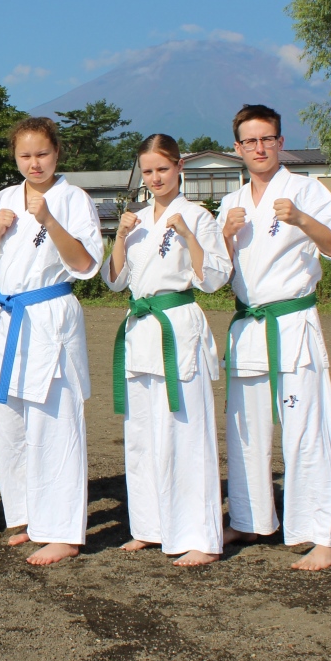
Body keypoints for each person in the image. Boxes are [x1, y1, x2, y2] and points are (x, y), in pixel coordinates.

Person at [217, 105, 331, 571]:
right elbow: (216, 274)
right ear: (237, 148)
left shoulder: (306, 190)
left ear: (280, 142)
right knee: (246, 432)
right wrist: (225, 236)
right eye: (250, 141)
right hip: (248, 327)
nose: (259, 148)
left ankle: (323, 536)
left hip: (292, 324)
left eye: (267, 139)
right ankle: (250, 519)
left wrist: (301, 220)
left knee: (306, 430)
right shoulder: (231, 202)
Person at [0, 117, 104, 565]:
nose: (34, 163)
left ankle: (63, 531)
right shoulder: (2, 199)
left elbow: (85, 264)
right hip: (8, 316)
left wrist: (49, 220)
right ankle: (27, 517)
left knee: (56, 423)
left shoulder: (73, 199)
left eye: (42, 154)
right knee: (11, 425)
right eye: (25, 155)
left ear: (57, 153)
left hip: (50, 314)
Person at [105, 133, 231, 566]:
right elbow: (115, 282)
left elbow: (215, 278)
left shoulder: (198, 216)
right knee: (142, 434)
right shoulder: (137, 220)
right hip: (140, 327)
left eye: (163, 168)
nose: (156, 177)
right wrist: (119, 237)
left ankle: (200, 537)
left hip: (177, 325)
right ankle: (150, 527)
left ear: (180, 167)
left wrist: (188, 235)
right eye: (148, 171)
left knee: (186, 432)